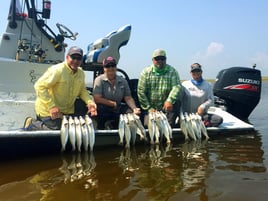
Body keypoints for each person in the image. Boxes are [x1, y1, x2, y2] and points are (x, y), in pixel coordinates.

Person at [23, 46, 97, 130]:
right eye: (73, 57)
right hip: (47, 111)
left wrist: (90, 103)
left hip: (65, 113)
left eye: (79, 58)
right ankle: (32, 123)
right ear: (67, 57)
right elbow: (39, 86)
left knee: (72, 129)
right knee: (57, 130)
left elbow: (82, 91)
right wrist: (51, 106)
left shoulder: (81, 73)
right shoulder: (57, 70)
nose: (76, 61)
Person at [92, 56, 140, 129]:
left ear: (116, 67)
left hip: (118, 107)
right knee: (97, 112)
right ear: (104, 68)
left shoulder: (123, 81)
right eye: (108, 66)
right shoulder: (99, 80)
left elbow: (128, 98)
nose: (111, 68)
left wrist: (134, 108)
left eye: (113, 65)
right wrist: (112, 104)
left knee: (130, 113)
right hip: (104, 108)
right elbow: (97, 98)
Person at [137, 49, 182, 127]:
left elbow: (176, 87)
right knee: (148, 126)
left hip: (167, 107)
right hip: (151, 107)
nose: (160, 61)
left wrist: (170, 100)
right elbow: (141, 92)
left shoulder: (173, 71)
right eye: (157, 59)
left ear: (166, 59)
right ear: (153, 60)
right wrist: (149, 108)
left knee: (168, 126)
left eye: (162, 58)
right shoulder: (145, 72)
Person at [181, 63, 223, 127]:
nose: (196, 73)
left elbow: (211, 100)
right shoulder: (184, 84)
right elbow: (179, 99)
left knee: (218, 119)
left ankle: (200, 125)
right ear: (190, 72)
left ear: (201, 72)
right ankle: (194, 125)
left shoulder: (208, 85)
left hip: (201, 115)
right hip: (187, 115)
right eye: (194, 71)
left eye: (198, 71)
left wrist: (203, 106)